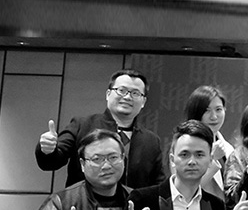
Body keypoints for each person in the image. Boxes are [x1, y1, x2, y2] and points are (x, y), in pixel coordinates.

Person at [36, 69, 164, 188]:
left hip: (133, 205)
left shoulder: (151, 141)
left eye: (135, 93)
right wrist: (48, 150)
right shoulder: (82, 125)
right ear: (108, 94)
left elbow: (158, 185)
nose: (127, 97)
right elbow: (51, 162)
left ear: (143, 102)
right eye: (121, 90)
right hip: (85, 203)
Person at [184, 85, 235, 200]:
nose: (214, 117)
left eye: (218, 109)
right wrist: (212, 159)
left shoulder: (228, 148)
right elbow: (186, 190)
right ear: (196, 113)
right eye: (207, 111)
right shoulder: (184, 145)